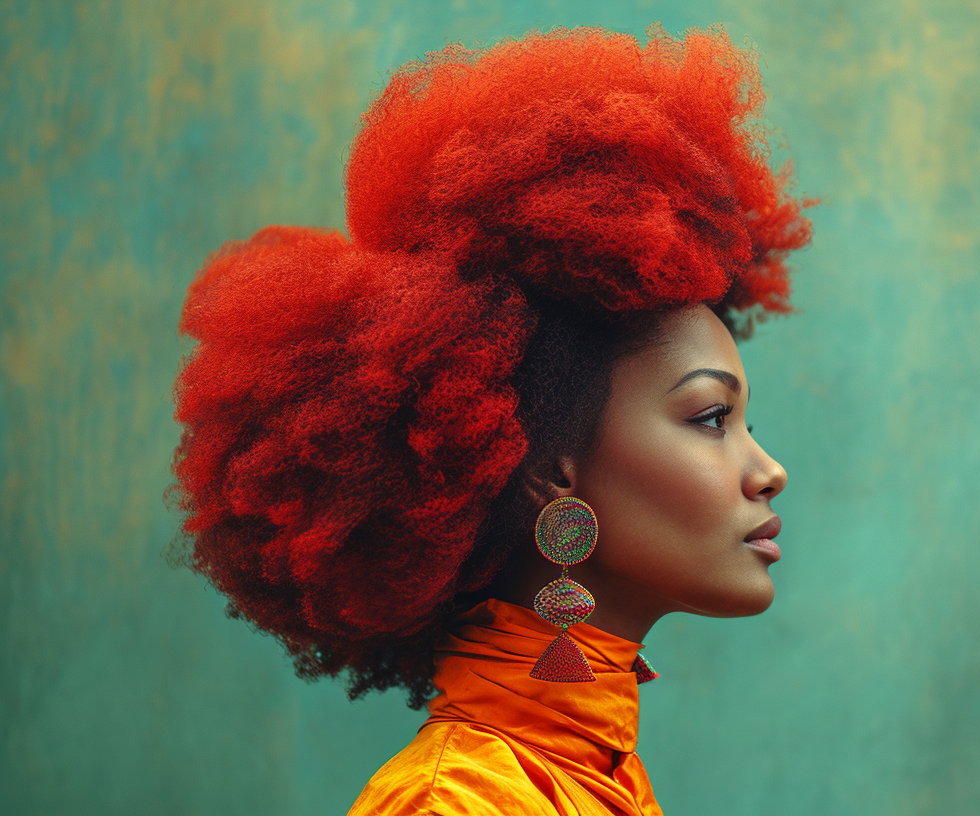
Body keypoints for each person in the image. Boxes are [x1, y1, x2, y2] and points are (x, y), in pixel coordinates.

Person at [169, 24, 812, 816]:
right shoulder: (453, 803)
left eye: (744, 423)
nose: (769, 471)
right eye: (712, 418)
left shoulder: (601, 781)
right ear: (549, 472)